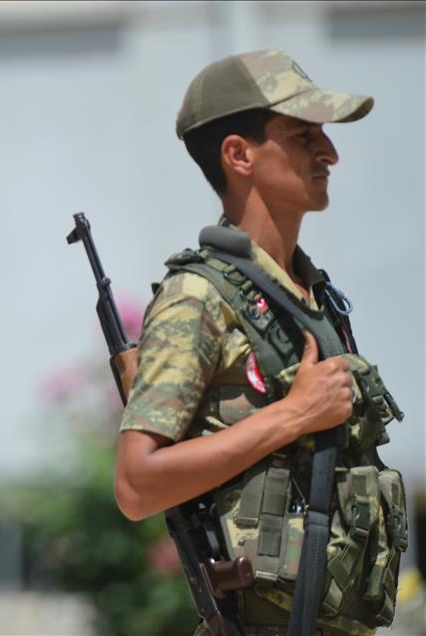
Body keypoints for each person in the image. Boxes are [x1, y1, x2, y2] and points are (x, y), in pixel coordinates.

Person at [114, 51, 407, 635]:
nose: (330, 153)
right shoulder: (196, 298)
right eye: (303, 136)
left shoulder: (308, 293)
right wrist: (294, 415)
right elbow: (136, 485)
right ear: (238, 154)